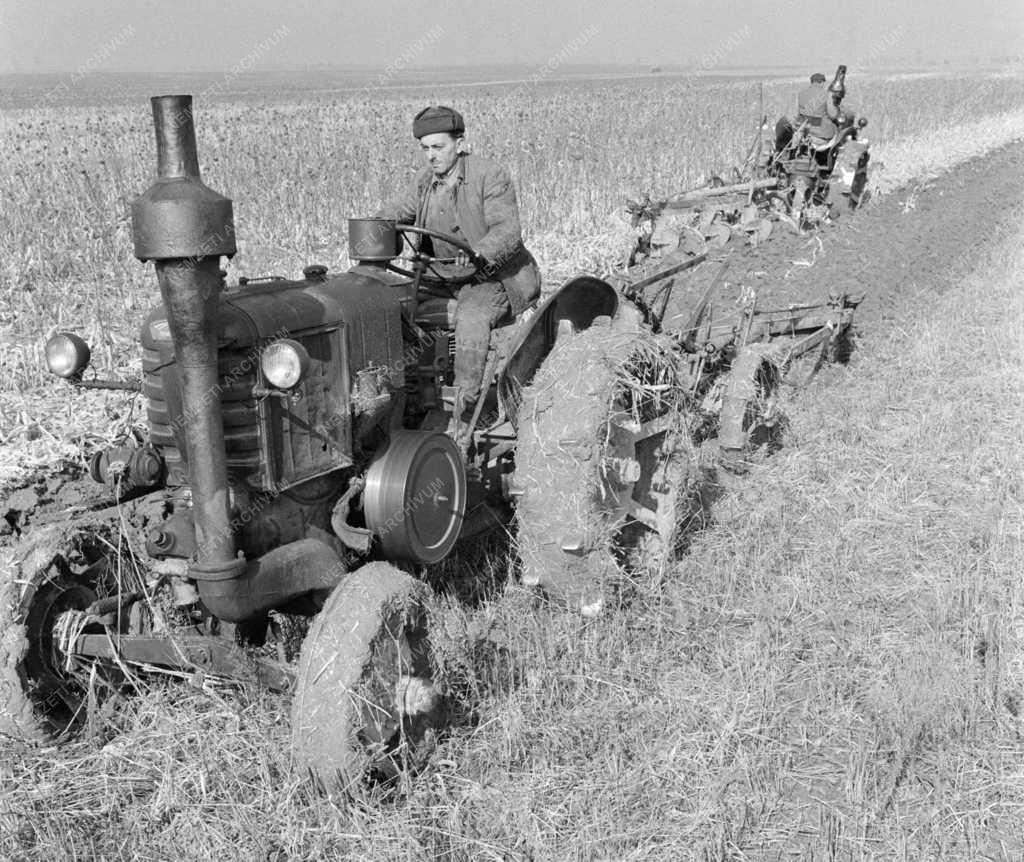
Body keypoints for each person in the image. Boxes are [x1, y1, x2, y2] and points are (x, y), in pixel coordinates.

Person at [381, 105, 541, 433]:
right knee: (388, 306)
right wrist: (372, 228)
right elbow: (397, 212)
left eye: (438, 147)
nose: (430, 156)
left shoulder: (488, 175)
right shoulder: (425, 182)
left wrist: (480, 252)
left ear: (459, 142)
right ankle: (400, 392)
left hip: (496, 278)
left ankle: (463, 403)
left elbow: (507, 231)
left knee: (473, 315)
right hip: (444, 278)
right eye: (425, 148)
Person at [795, 72, 840, 141]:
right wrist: (837, 109)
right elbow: (833, 115)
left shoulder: (801, 93)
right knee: (838, 133)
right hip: (821, 134)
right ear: (822, 82)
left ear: (812, 82)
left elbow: (798, 112)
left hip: (804, 130)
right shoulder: (827, 94)